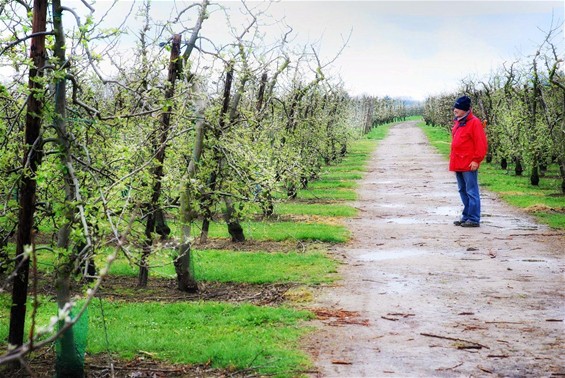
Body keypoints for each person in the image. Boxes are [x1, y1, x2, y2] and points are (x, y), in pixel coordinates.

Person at [449, 95, 488, 227]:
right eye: (455, 107)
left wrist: (476, 160)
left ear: (465, 110)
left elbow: (481, 143)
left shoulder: (474, 122)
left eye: (458, 108)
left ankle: (474, 218)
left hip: (469, 163)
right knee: (463, 190)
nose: (455, 110)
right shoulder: (459, 122)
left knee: (471, 191)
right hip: (458, 161)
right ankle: (466, 216)